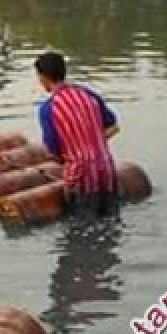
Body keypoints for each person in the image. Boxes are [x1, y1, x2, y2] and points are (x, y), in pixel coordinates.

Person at [35, 52, 121, 220]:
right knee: (110, 223)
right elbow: (113, 126)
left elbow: (54, 150)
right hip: (107, 172)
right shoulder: (89, 94)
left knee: (82, 233)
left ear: (43, 78)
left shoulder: (48, 109)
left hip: (81, 179)